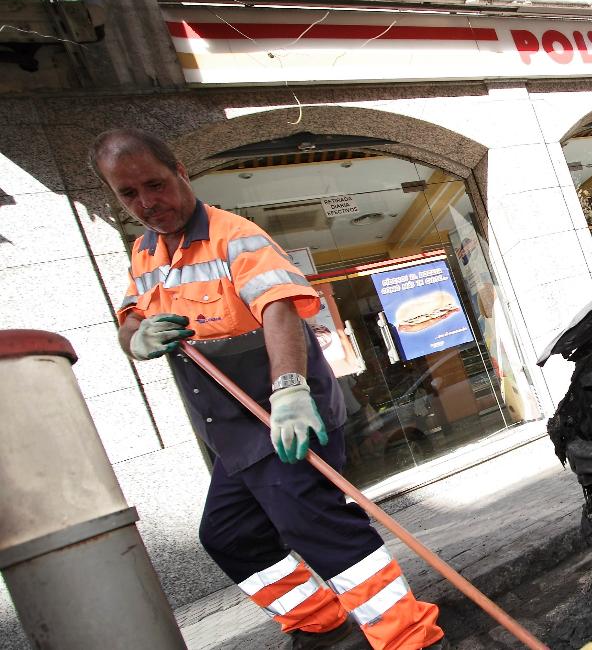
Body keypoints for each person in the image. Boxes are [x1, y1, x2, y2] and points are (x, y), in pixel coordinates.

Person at [91, 128, 444, 650]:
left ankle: (410, 637)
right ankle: (318, 620)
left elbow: (277, 308)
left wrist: (289, 390)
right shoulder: (145, 253)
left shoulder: (234, 235)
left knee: (318, 527)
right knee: (229, 535)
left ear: (181, 173)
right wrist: (135, 338)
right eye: (129, 194)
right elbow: (129, 318)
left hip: (279, 416)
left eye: (156, 184)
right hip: (231, 431)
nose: (147, 202)